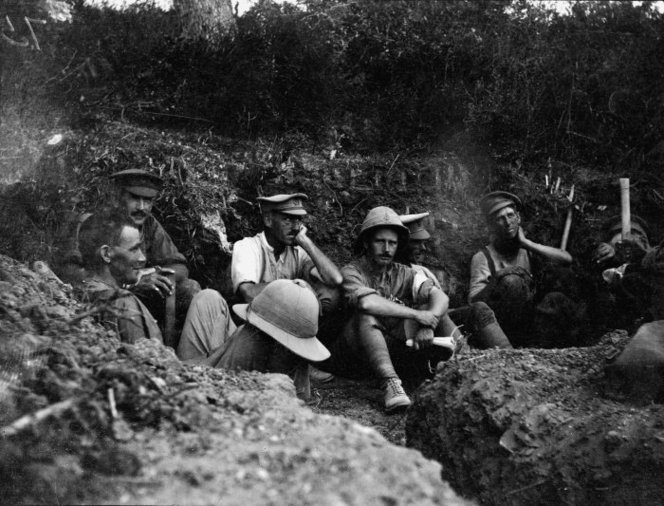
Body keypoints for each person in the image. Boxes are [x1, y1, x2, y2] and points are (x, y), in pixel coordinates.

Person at [324, 206, 453, 413]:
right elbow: (367, 303)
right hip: (348, 356)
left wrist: (431, 320)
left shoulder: (404, 273)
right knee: (366, 315)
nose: (387, 249)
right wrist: (418, 315)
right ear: (366, 243)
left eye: (392, 243)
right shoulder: (352, 271)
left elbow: (439, 296)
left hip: (387, 349)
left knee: (438, 311)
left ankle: (465, 363)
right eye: (380, 242)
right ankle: (391, 385)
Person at [60, 169, 201, 342]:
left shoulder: (149, 224)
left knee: (190, 288)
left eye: (148, 200)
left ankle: (181, 351)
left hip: (138, 292)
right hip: (103, 299)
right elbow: (70, 274)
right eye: (135, 198)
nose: (142, 207)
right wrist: (125, 286)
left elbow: (178, 266)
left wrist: (147, 275)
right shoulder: (93, 223)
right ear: (119, 197)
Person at [76, 209, 233, 347]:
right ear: (106, 254)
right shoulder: (123, 303)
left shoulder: (83, 293)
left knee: (208, 297)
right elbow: (149, 366)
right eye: (134, 249)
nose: (143, 258)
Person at [178, 279, 330, 401]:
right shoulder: (248, 338)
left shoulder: (250, 341)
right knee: (208, 297)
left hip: (236, 379)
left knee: (245, 340)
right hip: (223, 373)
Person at [469, 191, 575, 347]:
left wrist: (526, 243)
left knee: (556, 296)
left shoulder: (528, 250)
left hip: (530, 323)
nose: (507, 222)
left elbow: (566, 260)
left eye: (510, 215)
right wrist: (501, 278)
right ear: (491, 225)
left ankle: (537, 349)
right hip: (502, 325)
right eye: (500, 218)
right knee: (512, 281)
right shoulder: (483, 257)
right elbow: (474, 303)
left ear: (518, 217)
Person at [399, 212, 511, 350]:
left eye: (423, 243)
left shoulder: (420, 270)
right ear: (401, 243)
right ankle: (465, 358)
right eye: (416, 242)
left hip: (433, 322)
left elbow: (442, 304)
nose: (423, 248)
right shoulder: (393, 273)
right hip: (412, 329)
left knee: (478, 309)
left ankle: (509, 356)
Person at [231, 193, 343, 302]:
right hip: (252, 316)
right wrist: (294, 288)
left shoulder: (298, 253)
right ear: (268, 220)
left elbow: (335, 279)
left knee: (330, 293)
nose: (295, 227)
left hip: (287, 316)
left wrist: (306, 242)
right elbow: (248, 293)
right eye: (287, 219)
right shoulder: (248, 247)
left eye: (298, 220)